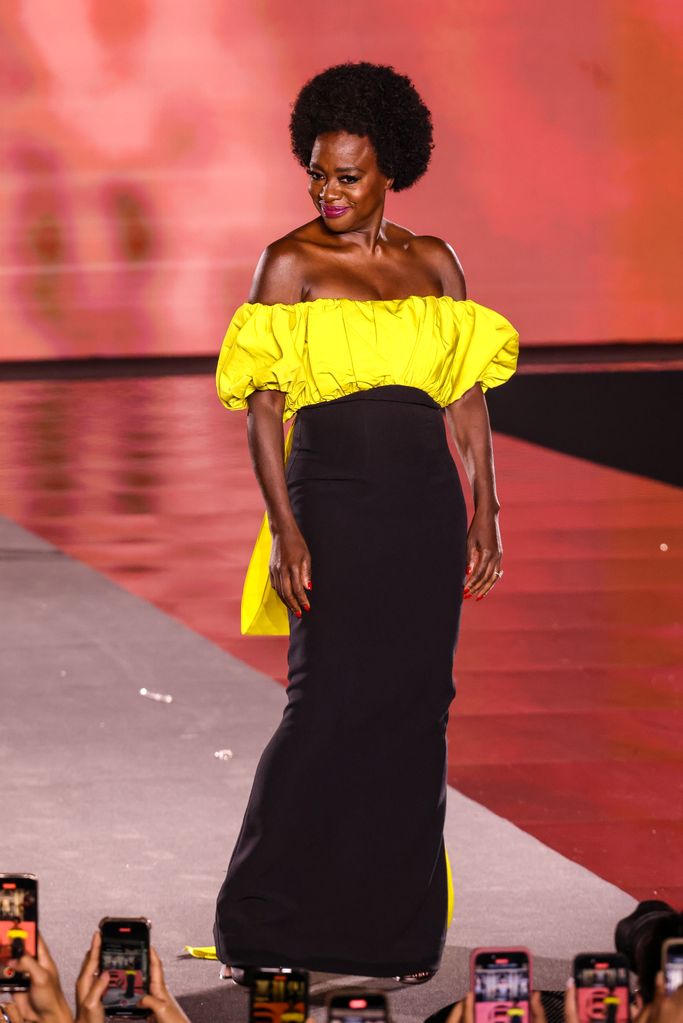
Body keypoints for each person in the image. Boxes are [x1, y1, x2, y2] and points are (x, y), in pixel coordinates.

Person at [213, 61, 519, 983]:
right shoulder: (291, 262)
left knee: (416, 708)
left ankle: (392, 930)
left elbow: (463, 395)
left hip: (424, 504)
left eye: (347, 176)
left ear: (392, 171)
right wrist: (287, 529)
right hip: (331, 498)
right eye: (317, 173)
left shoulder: (434, 263)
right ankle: (266, 922)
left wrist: (487, 510)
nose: (328, 192)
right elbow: (265, 408)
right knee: (325, 706)